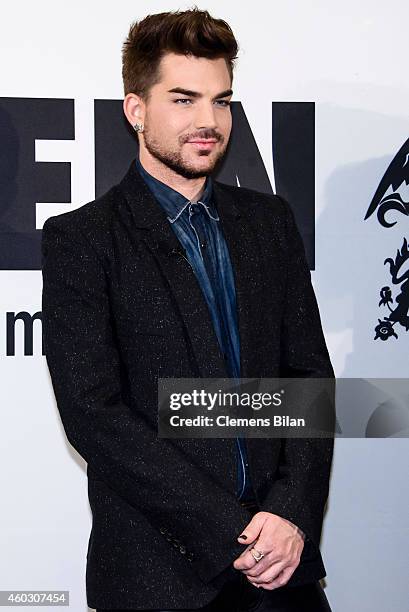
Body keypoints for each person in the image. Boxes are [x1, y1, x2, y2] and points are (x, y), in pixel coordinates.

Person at [41, 7, 334, 611]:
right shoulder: (84, 239)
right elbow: (95, 414)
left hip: (282, 572)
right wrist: (233, 529)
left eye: (222, 101)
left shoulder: (269, 223)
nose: (209, 122)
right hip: (158, 579)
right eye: (183, 100)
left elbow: (308, 379)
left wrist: (289, 513)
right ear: (136, 110)